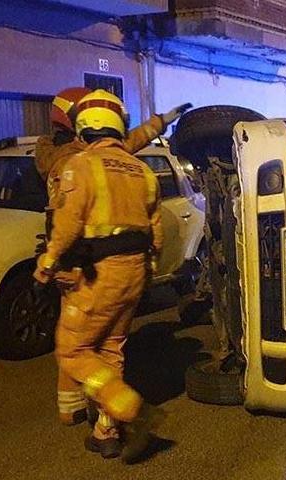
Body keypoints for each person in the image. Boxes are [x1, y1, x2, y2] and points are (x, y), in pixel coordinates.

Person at [38, 88, 190, 427]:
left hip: (88, 270)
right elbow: (156, 230)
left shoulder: (75, 162)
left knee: (73, 348)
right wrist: (159, 122)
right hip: (132, 271)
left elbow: (67, 221)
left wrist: (49, 262)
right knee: (111, 348)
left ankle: (121, 408)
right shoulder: (139, 169)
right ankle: (106, 431)